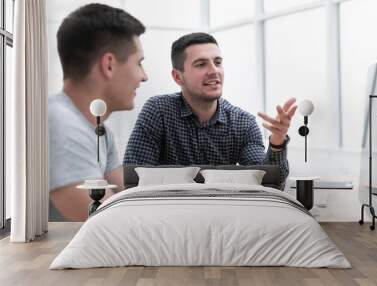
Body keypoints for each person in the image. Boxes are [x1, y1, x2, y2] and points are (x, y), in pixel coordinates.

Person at [123, 32, 296, 189]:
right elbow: (134, 180)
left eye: (218, 62)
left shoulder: (243, 122)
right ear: (178, 77)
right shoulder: (158, 111)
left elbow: (267, 184)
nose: (214, 71)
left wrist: (277, 143)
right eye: (201, 64)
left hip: (224, 215)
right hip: (167, 212)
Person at [49, 4, 148, 221]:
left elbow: (127, 198)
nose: (144, 76)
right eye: (139, 63)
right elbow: (108, 226)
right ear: (109, 65)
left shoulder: (100, 132)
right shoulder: (61, 125)